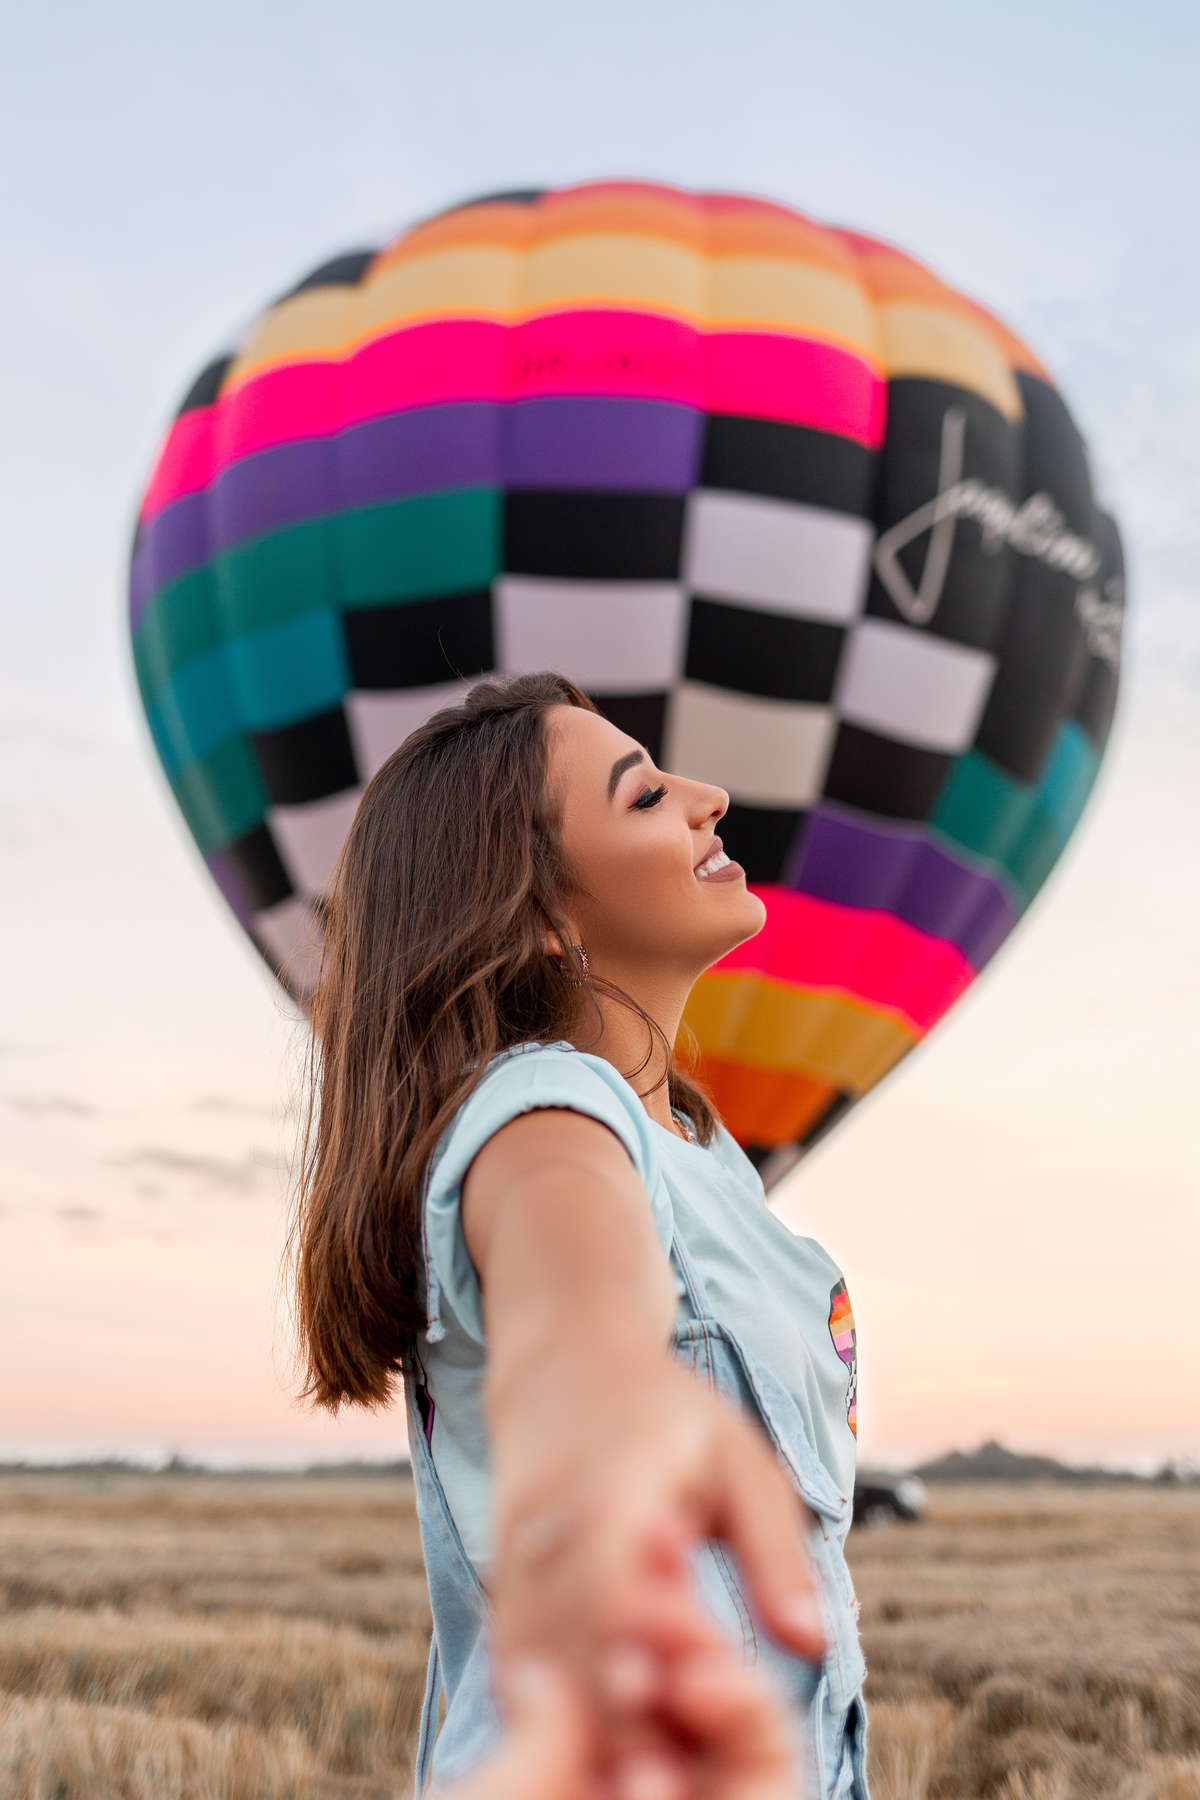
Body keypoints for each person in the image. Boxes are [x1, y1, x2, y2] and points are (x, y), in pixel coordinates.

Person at [291, 674, 868, 1800]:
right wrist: (599, 1400)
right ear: (543, 916)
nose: (709, 796)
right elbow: (573, 1262)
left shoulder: (705, 1154)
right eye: (646, 795)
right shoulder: (544, 1107)